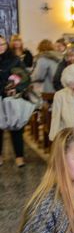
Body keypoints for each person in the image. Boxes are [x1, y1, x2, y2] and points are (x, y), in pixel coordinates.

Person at [0, 34, 27, 167]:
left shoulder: (14, 59)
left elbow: (24, 78)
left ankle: (19, 156)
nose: (0, 47)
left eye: (2, 44)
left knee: (16, 127)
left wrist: (17, 88)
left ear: (6, 45)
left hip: (11, 98)